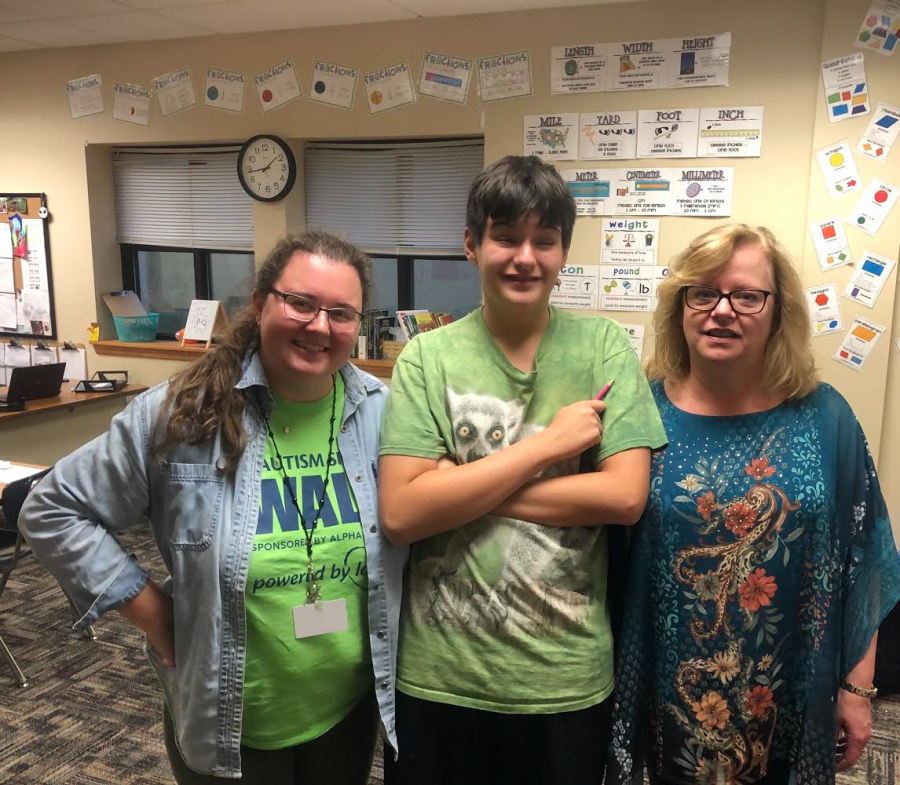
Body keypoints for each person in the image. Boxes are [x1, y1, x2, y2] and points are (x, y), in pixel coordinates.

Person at [19, 232, 406, 783]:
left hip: (346, 714)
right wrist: (155, 615)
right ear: (261, 302)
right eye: (300, 303)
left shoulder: (381, 413)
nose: (320, 326)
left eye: (341, 313)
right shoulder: (184, 412)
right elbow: (52, 508)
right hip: (231, 723)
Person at [377, 155, 668, 785]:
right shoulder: (426, 358)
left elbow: (623, 497)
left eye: (544, 240)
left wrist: (463, 485)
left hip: (563, 675)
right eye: (506, 237)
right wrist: (547, 447)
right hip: (440, 676)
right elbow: (401, 515)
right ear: (471, 246)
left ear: (564, 251)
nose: (525, 257)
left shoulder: (603, 347)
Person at [606, 224, 900, 785]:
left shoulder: (825, 417)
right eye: (703, 292)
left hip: (793, 687)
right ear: (681, 305)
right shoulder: (640, 414)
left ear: (777, 311)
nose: (722, 311)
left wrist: (858, 690)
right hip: (668, 692)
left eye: (745, 295)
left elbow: (864, 557)